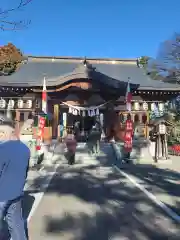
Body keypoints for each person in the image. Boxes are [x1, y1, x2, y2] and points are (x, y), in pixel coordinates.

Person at [0, 114, 30, 240]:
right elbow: (26, 171)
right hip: (17, 192)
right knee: (16, 224)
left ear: (3, 132)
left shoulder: (2, 148)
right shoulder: (25, 149)